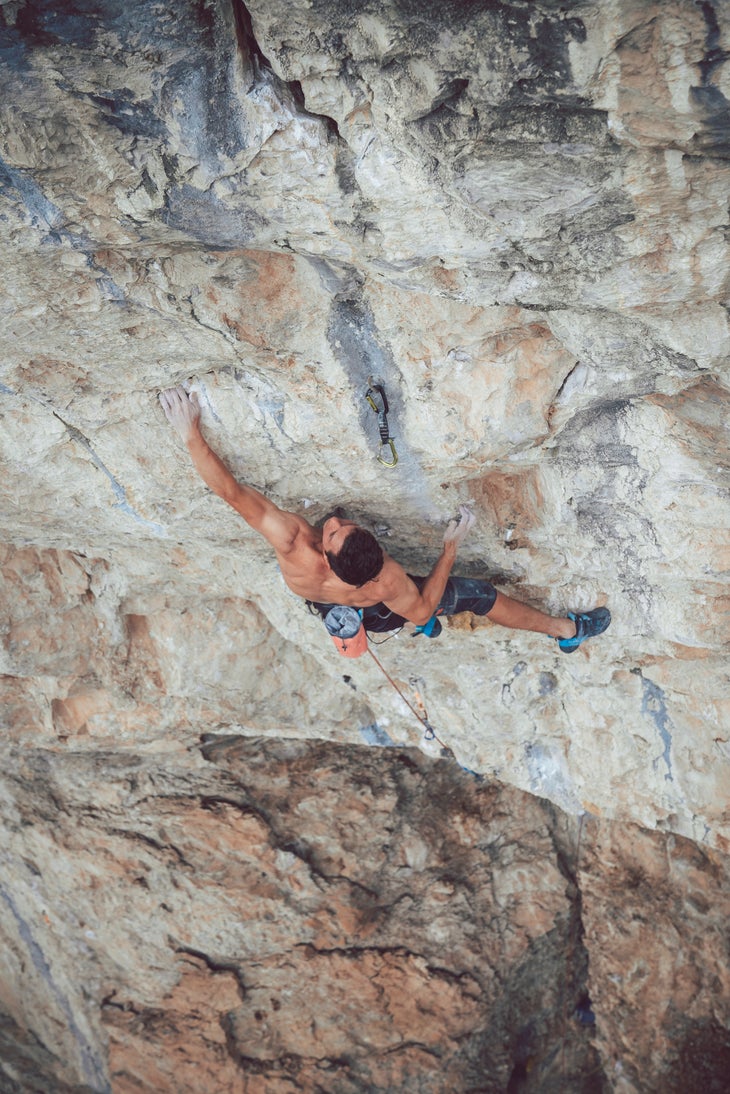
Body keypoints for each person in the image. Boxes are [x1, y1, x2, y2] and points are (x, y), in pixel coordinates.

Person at [159, 386, 610, 652]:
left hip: (349, 607)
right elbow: (230, 493)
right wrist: (449, 550)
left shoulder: (298, 545)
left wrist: (189, 435)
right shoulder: (386, 581)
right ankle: (567, 631)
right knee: (454, 599)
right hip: (375, 610)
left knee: (450, 602)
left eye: (337, 530)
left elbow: (231, 493)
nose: (332, 522)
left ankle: (559, 632)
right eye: (334, 531)